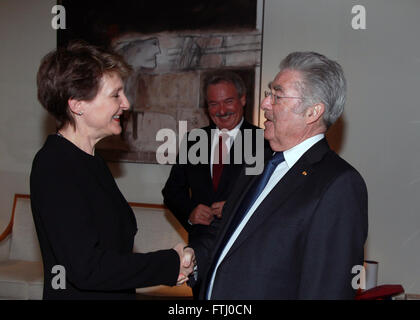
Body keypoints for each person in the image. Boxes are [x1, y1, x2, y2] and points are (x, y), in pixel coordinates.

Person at [189, 52, 368, 300]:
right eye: (268, 94)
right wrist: (191, 260)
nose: (264, 104)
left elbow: (327, 288)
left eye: (277, 95)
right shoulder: (260, 160)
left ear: (312, 112)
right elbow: (228, 233)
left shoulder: (338, 184)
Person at [30, 40, 194, 300]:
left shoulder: (92, 161)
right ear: (78, 104)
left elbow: (111, 251)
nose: (126, 103)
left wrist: (171, 264)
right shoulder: (55, 166)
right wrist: (167, 264)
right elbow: (87, 268)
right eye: (115, 94)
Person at [162, 70, 271, 297]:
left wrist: (234, 206)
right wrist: (190, 212)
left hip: (242, 254)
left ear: (242, 99)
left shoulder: (263, 143)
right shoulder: (193, 140)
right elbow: (172, 191)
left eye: (228, 101)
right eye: (214, 104)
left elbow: (268, 198)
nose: (221, 111)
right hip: (201, 258)